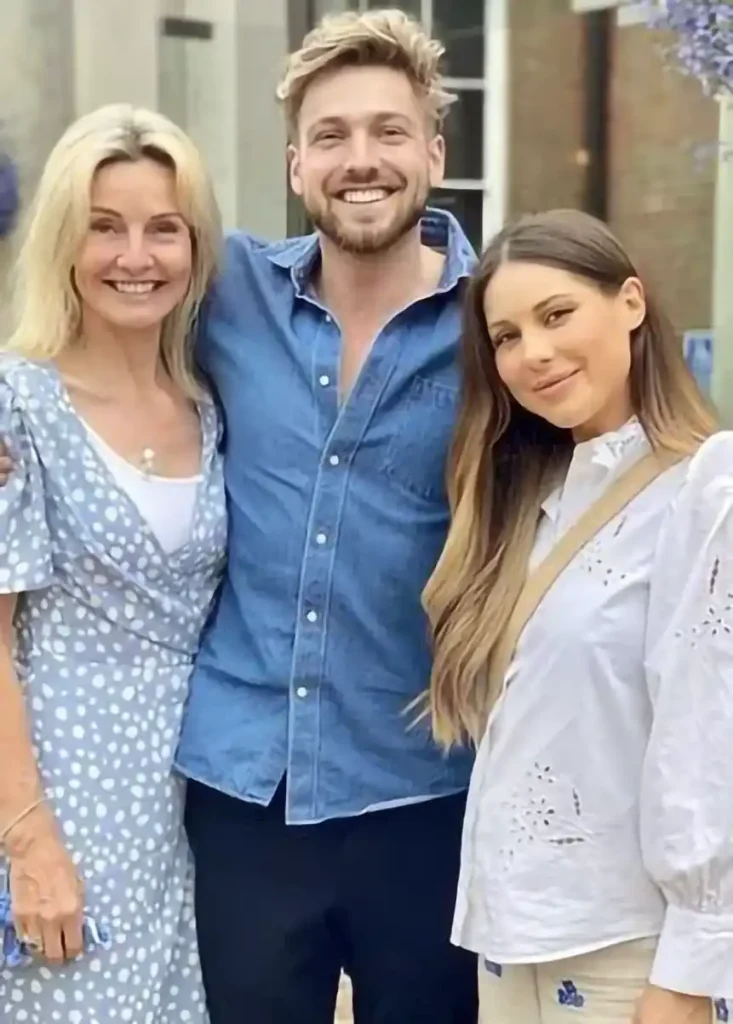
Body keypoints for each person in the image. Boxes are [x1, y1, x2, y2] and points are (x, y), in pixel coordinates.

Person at [174, 9, 478, 1024]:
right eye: (333, 136)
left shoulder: (499, 329)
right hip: (244, 789)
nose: (363, 160)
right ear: (298, 164)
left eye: (390, 132)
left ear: (434, 151)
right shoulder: (225, 296)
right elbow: (89, 328)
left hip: (427, 792)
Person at [423, 209, 732, 1023]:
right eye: (507, 336)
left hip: (628, 951)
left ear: (629, 303)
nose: (535, 354)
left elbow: (708, 741)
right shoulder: (527, 500)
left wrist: (691, 973)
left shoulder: (705, 492)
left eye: (556, 314)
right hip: (505, 934)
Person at [0, 104, 226, 1023]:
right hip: (58, 800)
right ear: (63, 241)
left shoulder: (209, 402)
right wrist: (29, 841)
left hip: (187, 817)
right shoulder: (17, 404)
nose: (137, 256)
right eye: (105, 227)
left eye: (163, 228)